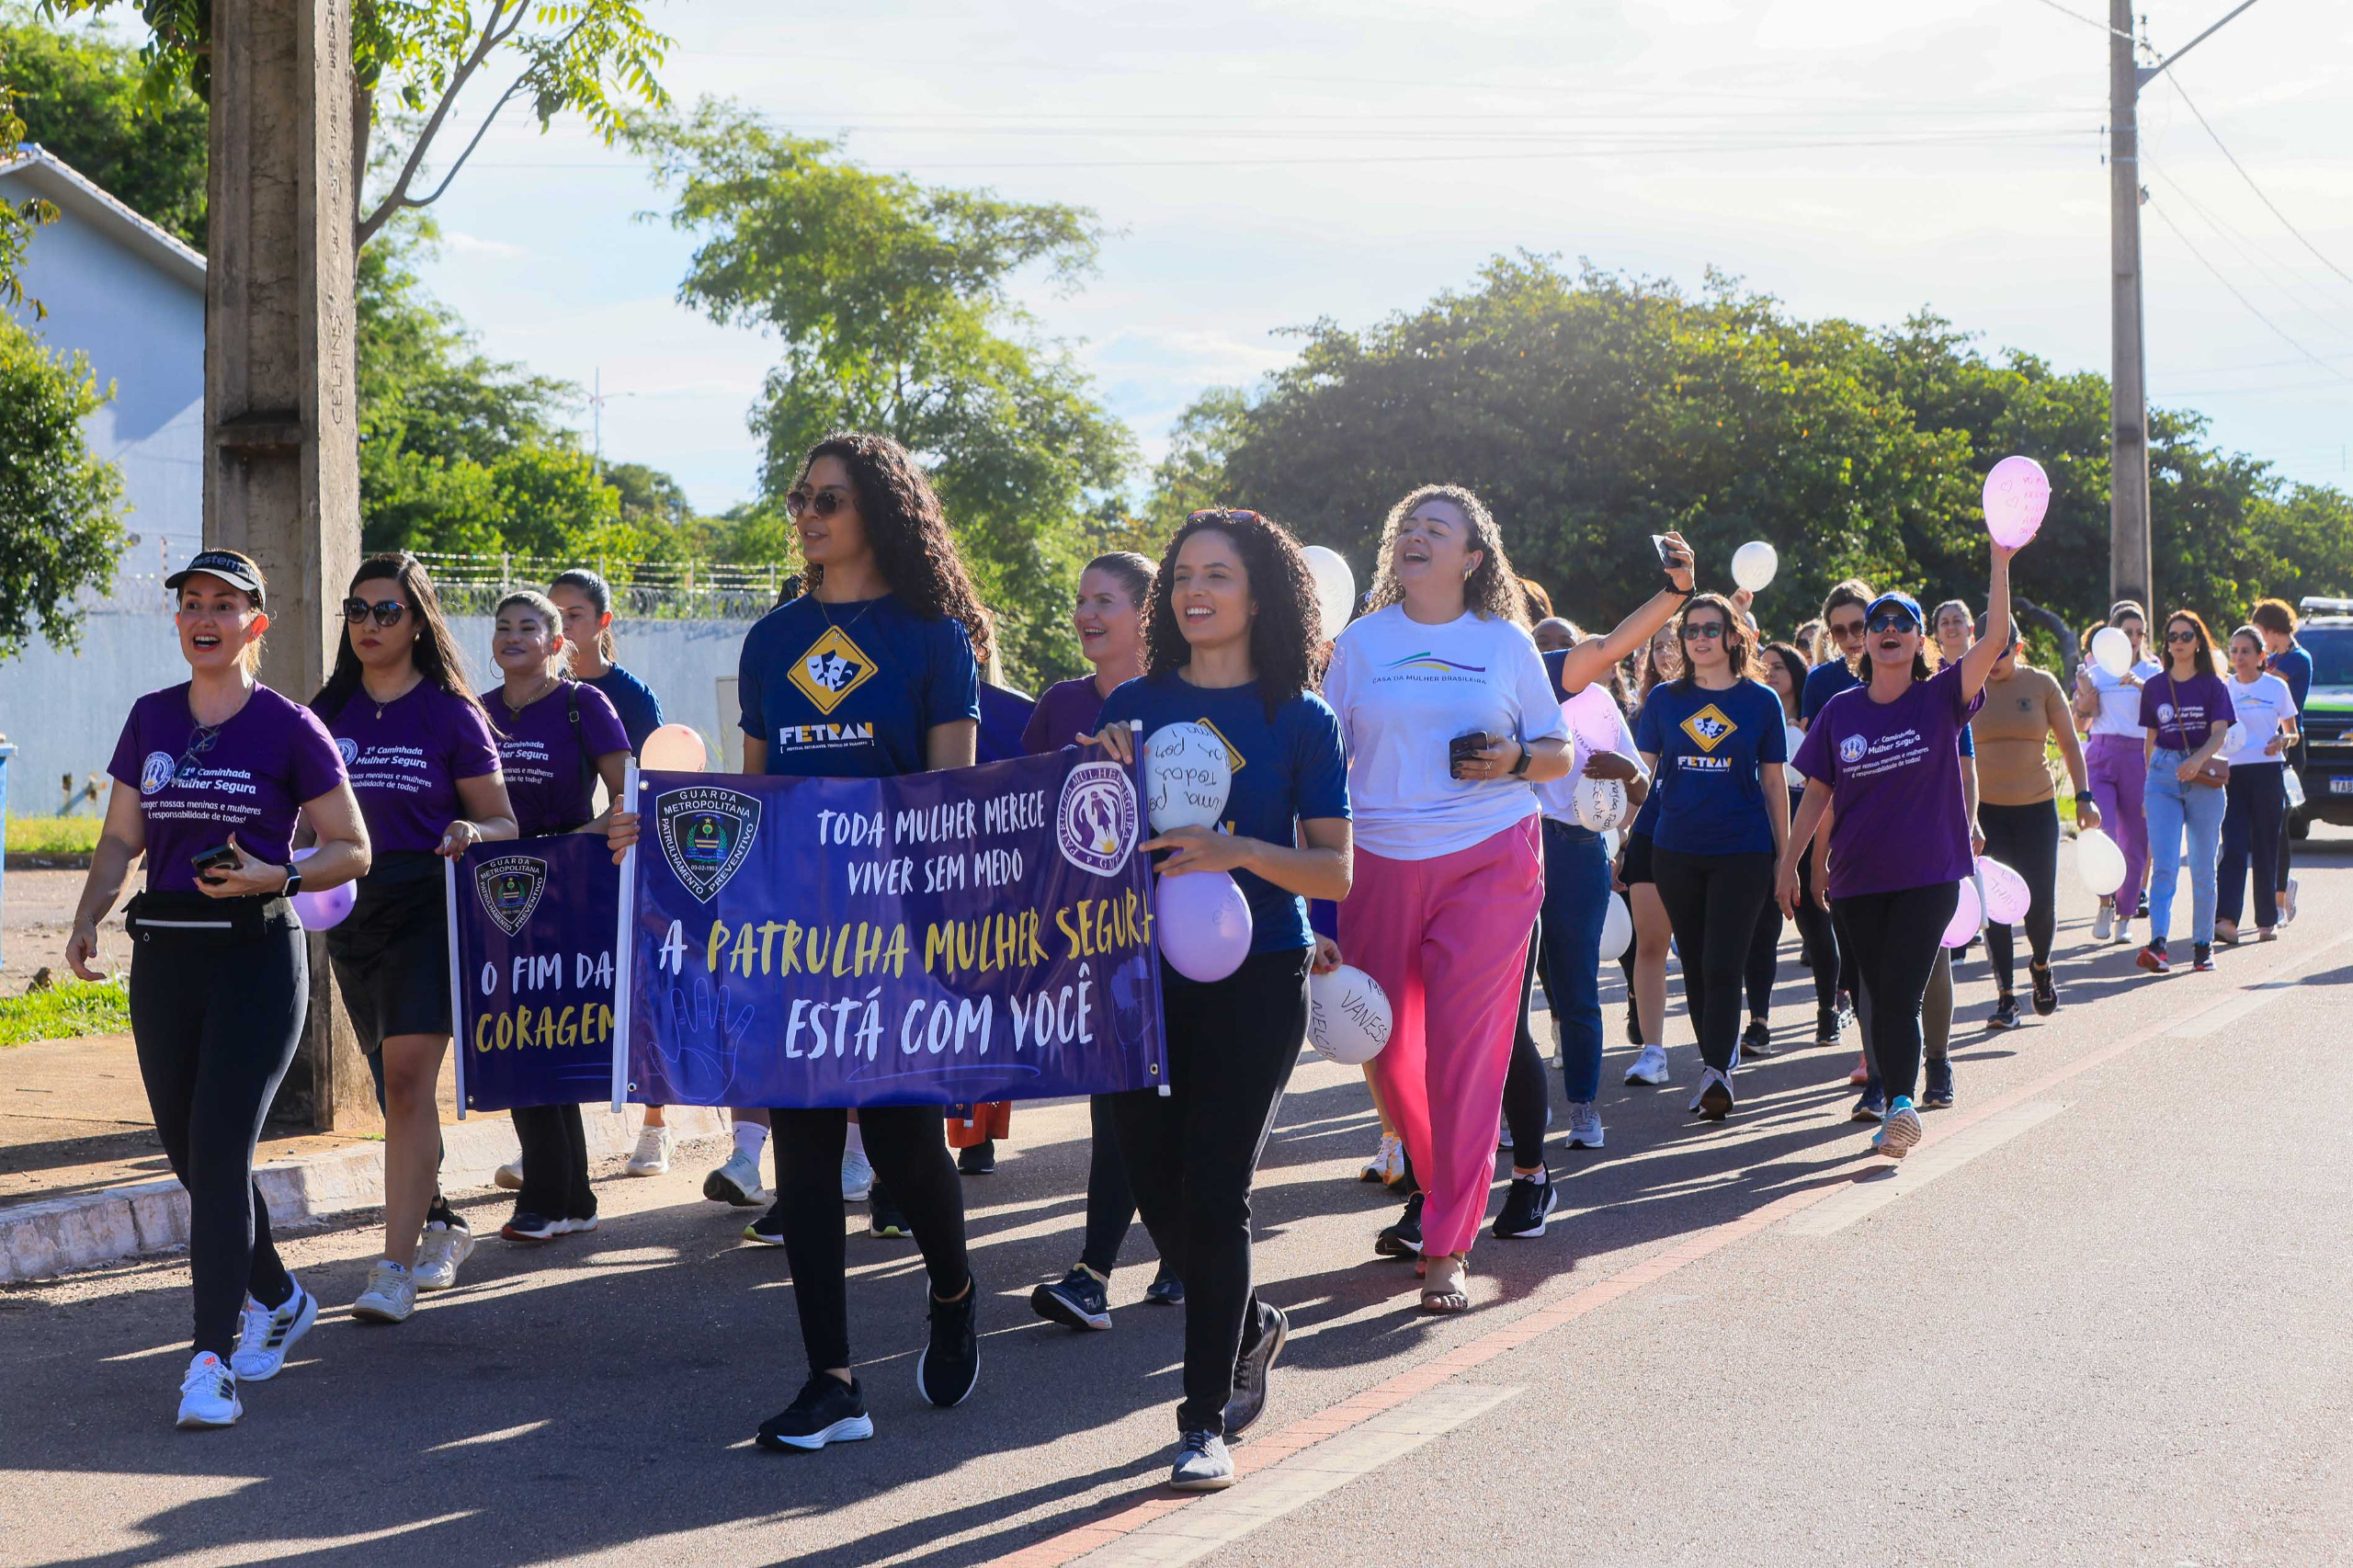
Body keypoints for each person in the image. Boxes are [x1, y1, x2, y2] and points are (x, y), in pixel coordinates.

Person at [611, 432, 986, 1452]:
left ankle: (952, 1291)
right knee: (805, 1149)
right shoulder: (772, 640)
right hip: (794, 934)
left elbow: (948, 794)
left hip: (898, 931)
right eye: (800, 498)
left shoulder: (932, 636)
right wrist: (668, 831)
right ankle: (833, 1381)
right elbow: (754, 800)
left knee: (907, 1142)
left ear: (878, 510)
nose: (809, 513)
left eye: (829, 497)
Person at [1326, 483, 1692, 1312]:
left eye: (1437, 529)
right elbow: (1324, 753)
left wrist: (1511, 762)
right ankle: (1435, 1180)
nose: (1416, 537)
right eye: (1407, 526)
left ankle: (1450, 1243)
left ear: (1472, 558)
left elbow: (1559, 748)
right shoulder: (1359, 644)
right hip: (1378, 859)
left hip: (1489, 856)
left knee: (1467, 1050)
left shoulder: (1504, 642)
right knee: (1385, 1045)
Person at [64, 551, 369, 1429]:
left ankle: (211, 1360)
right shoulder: (151, 717)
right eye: (191, 603)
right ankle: (278, 1295)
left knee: (223, 1147)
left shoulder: (289, 726)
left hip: (255, 961)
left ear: (255, 626)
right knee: (193, 1161)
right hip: (166, 959)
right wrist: (87, 915)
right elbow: (122, 835)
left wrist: (277, 874)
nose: (203, 616)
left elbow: (353, 848)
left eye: (223, 605)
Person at [1080, 508, 1352, 1491]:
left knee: (1216, 1186)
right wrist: (1098, 767)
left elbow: (1336, 873)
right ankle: (1249, 1322)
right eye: (1182, 574)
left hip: (1260, 972)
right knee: (1158, 1189)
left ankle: (1201, 1420)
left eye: (1219, 574)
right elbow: (1087, 847)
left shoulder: (1300, 716)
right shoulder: (1134, 705)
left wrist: (1239, 851)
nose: (1195, 590)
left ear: (1261, 592)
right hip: (1137, 979)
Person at [315, 554, 517, 1323]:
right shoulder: (326, 711)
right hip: (348, 916)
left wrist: (472, 829)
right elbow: (300, 812)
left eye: (387, 611)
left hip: (428, 906)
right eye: (357, 610)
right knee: (390, 1085)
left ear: (418, 620)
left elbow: (505, 821)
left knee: (405, 1083)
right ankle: (439, 1221)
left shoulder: (450, 713)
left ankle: (393, 1270)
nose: (369, 624)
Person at [1779, 533, 2018, 1160]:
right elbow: (1815, 794)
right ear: (1866, 641)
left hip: (1929, 875)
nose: (1887, 630)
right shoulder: (1838, 711)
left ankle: (1902, 1105)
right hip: (1856, 880)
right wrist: (1790, 862)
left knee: (1903, 991)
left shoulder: (1940, 696)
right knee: (1874, 994)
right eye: (1878, 622)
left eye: (1901, 622)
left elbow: (1993, 640)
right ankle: (1893, 1097)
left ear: (1919, 641)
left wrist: (1999, 560)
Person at [1022, 551, 1186, 1332]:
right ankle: (1095, 1272)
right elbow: (1014, 810)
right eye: (1080, 599)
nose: (1087, 613)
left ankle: (1184, 1251)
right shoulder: (1058, 704)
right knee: (1118, 1100)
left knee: (1177, 1103)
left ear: (1146, 614)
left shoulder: (1187, 703)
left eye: (1106, 601)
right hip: (1092, 937)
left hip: (1188, 933)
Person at [480, 591, 632, 1244]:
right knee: (514, 1038)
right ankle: (573, 1196)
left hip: (568, 886)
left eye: (529, 628)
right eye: (503, 627)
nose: (514, 636)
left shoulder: (583, 703)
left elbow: (630, 788)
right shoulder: (475, 712)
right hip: (493, 892)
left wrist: (581, 845)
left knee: (546, 1037)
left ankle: (549, 1198)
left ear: (556, 644)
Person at [1635, 596, 1790, 1120]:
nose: (1700, 637)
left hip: (1743, 850)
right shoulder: (1663, 702)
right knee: (1698, 965)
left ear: (1731, 637)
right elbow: (1643, 778)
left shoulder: (1761, 701)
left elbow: (1773, 783)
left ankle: (1717, 1073)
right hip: (1674, 850)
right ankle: (1713, 1064)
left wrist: (1784, 857)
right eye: (1692, 629)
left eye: (1711, 628)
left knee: (1724, 964)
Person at [546, 567, 678, 1179]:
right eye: (554, 615)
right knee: (557, 998)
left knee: (639, 993)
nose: (561, 627)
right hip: (560, 868)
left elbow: (644, 788)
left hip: (628, 861)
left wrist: (601, 831)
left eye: (573, 615)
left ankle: (655, 1126)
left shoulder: (631, 696)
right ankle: (549, 1140)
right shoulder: (539, 692)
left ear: (602, 624)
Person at [1530, 634, 1648, 1156]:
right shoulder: (1513, 693)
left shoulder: (1599, 703)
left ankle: (1583, 1105)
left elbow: (1641, 786)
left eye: (1564, 642)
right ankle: (1518, 1107)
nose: (1555, 650)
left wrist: (1628, 772)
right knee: (1504, 996)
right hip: (1513, 847)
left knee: (1576, 985)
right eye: (1544, 643)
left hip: (1578, 852)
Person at [1969, 614, 2098, 1028]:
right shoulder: (1966, 685)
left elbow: (2070, 744)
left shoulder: (2041, 685)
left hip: (2036, 809)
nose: (1996, 658)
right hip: (1986, 813)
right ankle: (2006, 997)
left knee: (2039, 905)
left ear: (2019, 648)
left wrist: (2083, 796)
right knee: (1995, 905)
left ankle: (2041, 965)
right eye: (1988, 648)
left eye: (2004, 649)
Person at [2136, 610, 2234, 974]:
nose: (2178, 642)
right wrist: (2149, 786)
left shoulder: (2213, 685)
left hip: (2203, 777)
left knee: (2202, 866)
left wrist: (2197, 760)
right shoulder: (2155, 686)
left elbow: (2220, 732)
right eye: (2172, 637)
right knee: (2163, 866)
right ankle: (2158, 944)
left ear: (2198, 641)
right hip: (2162, 776)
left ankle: (2202, 945)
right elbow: (2149, 739)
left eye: (2186, 636)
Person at [1617, 619, 1683, 1084]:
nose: (1665, 654)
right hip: (1650, 835)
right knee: (1650, 944)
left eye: (1671, 645)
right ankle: (1652, 1052)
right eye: (1657, 647)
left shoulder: (1735, 699)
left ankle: (1718, 1049)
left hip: (1711, 840)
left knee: (1704, 952)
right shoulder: (1643, 711)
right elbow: (1638, 784)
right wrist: (1619, 841)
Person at [2074, 602, 2160, 945]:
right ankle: (2105, 904)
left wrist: (2140, 685)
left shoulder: (2153, 673)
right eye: (2128, 633)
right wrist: (2084, 698)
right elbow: (2080, 721)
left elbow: (2165, 712)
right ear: (2113, 636)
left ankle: (2126, 915)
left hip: (2138, 755)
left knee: (2135, 838)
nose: (2135, 639)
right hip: (2101, 754)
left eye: (2140, 633)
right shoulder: (2095, 672)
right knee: (2103, 832)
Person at [1743, 642, 1813, 1056]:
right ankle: (1757, 1020)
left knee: (1812, 925)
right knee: (1755, 930)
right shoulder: (1749, 707)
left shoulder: (1810, 713)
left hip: (1802, 817)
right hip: (1752, 823)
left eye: (1778, 666)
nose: (1770, 672)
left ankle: (1829, 1002)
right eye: (1762, 665)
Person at [2215, 625, 2298, 945]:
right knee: (2233, 847)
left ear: (2262, 656)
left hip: (2267, 773)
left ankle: (2267, 920)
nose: (2239, 657)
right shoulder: (2223, 688)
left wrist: (2283, 739)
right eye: (2234, 651)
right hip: (2232, 775)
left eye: (2246, 651)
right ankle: (2227, 921)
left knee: (2265, 846)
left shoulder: (2276, 688)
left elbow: (2293, 732)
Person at [2251, 598, 2310, 926]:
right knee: (2262, 824)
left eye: (2260, 632)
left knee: (2280, 822)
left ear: (2273, 629)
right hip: (2261, 746)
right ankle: (2280, 886)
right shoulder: (2270, 659)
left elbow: (2269, 684)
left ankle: (2278, 897)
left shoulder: (2299, 660)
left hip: (2289, 745)